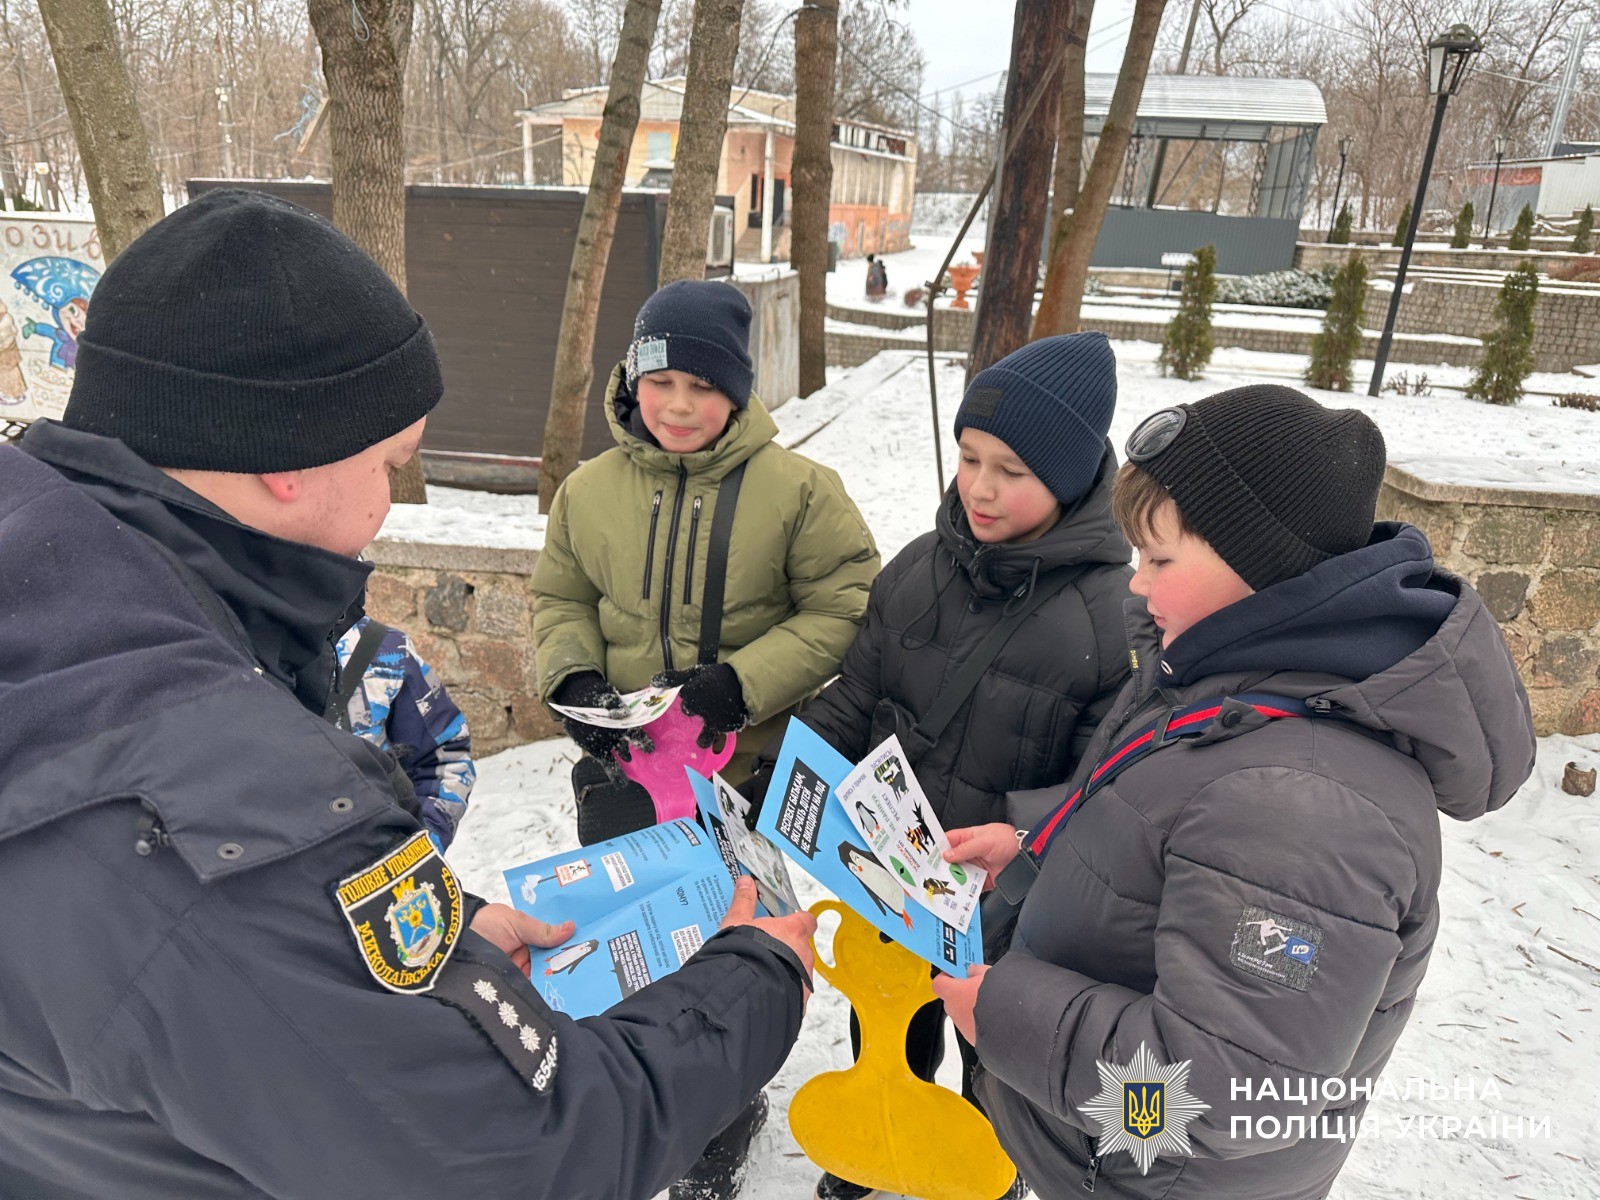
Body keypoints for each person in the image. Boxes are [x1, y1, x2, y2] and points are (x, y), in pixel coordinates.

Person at [0, 188, 817, 1200]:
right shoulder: (224, 807)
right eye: (392, 462)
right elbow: (530, 1157)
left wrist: (430, 943)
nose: (391, 501)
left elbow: (230, 979)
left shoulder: (55, 606)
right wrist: (752, 978)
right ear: (287, 459)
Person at [931, 385, 1536, 1200]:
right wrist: (1038, 847)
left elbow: (1217, 1102)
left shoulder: (1303, 810)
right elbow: (1159, 816)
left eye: (1160, 560)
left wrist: (1005, 1016)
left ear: (1259, 570)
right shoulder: (1229, 675)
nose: (1137, 585)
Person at [748, 332, 1134, 1200]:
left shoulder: (1109, 618)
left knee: (992, 1053)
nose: (981, 488)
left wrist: (1024, 842)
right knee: (886, 1018)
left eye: (1013, 470)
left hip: (1007, 902)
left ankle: (989, 1172)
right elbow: (862, 691)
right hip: (891, 870)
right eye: (970, 458)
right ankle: (880, 1137)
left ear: (1071, 478)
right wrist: (793, 770)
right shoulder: (918, 570)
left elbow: (1105, 785)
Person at [532, 277, 877, 1198]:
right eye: (661, 382)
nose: (679, 406)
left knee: (729, 948)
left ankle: (725, 1109)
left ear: (738, 390)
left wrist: (740, 683)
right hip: (623, 776)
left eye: (703, 386)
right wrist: (572, 680)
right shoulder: (587, 492)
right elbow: (560, 598)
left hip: (742, 778)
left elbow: (847, 605)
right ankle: (647, 1099)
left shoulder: (799, 492)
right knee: (634, 944)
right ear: (631, 381)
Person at [331, 615, 476, 853]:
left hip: (373, 861)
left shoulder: (383, 650)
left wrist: (421, 849)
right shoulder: (256, 660)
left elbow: (443, 758)